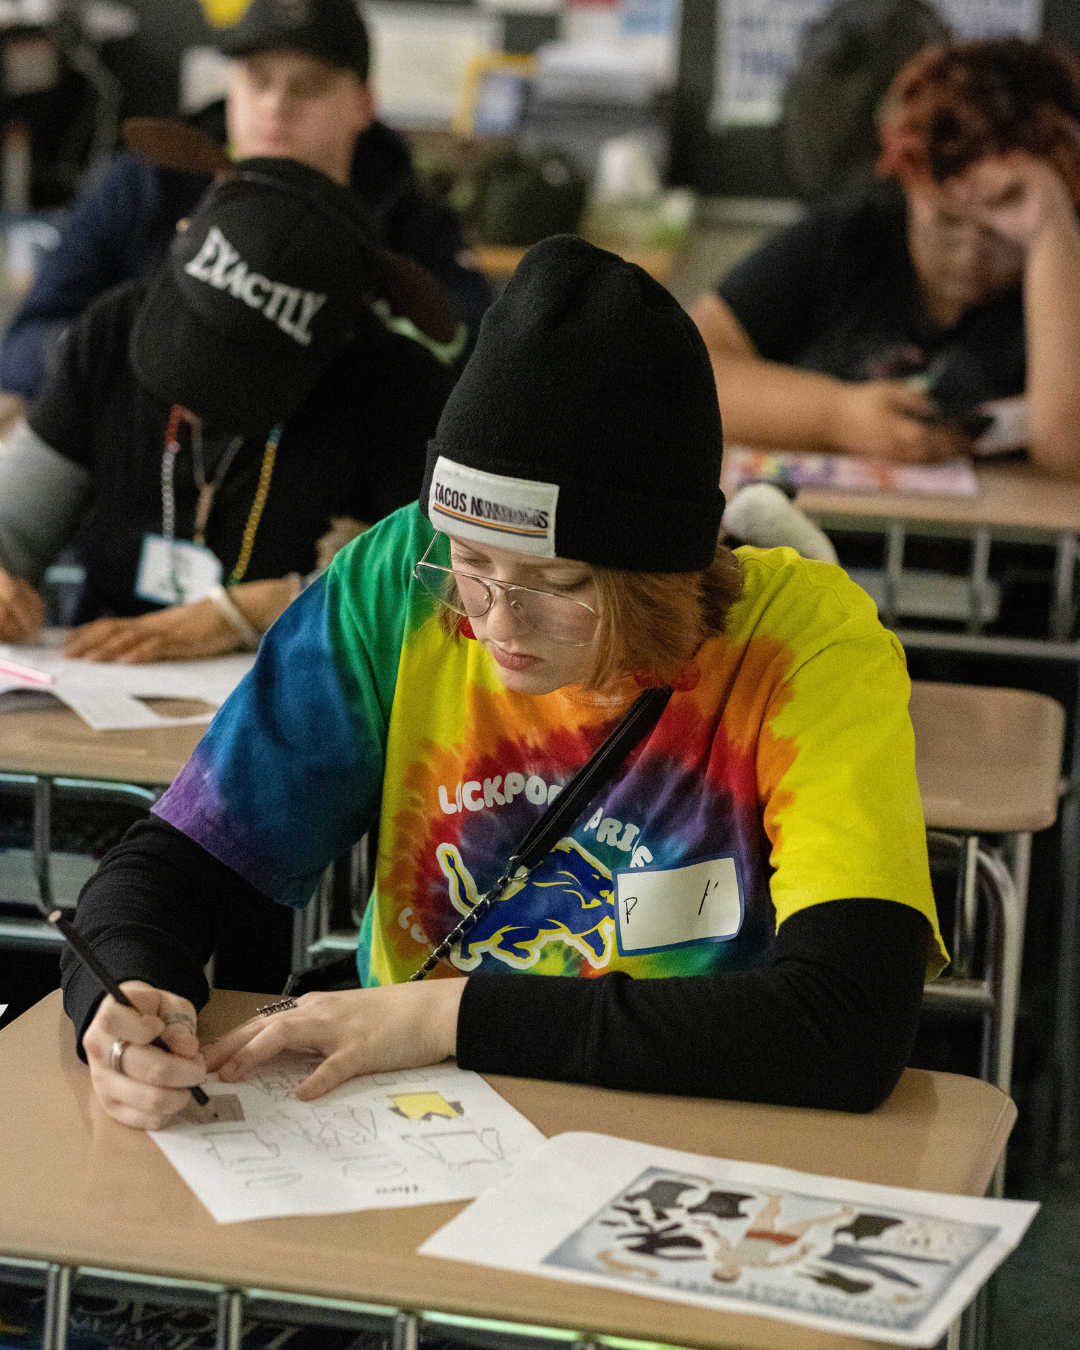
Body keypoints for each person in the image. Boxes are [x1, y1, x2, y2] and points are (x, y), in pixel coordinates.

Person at [62, 236, 946, 1132]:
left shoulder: (808, 646)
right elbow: (177, 864)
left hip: (695, 1123)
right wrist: (123, 990)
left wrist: (448, 1016)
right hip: (411, 1128)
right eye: (471, 563)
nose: (493, 621)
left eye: (557, 585)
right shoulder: (396, 578)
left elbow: (847, 1026)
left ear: (661, 575)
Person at [0, 156, 450, 662]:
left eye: (239, 373)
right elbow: (16, 522)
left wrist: (259, 610)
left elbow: (440, 586)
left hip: (303, 689)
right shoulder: (112, 334)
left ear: (334, 343)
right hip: (100, 684)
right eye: (187, 338)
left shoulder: (395, 388)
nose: (193, 392)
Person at [0, 0, 491, 405]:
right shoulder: (143, 182)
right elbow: (22, 347)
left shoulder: (410, 218)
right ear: (231, 86)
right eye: (258, 80)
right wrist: (137, 351)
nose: (276, 105)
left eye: (308, 86)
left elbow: (474, 357)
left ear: (364, 104)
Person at [690, 37, 1080, 475]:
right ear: (907, 183)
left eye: (1004, 234)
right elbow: (676, 373)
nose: (971, 255)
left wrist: (1049, 231)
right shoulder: (845, 238)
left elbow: (1068, 451)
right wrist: (839, 416)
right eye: (947, 223)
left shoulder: (1065, 263)